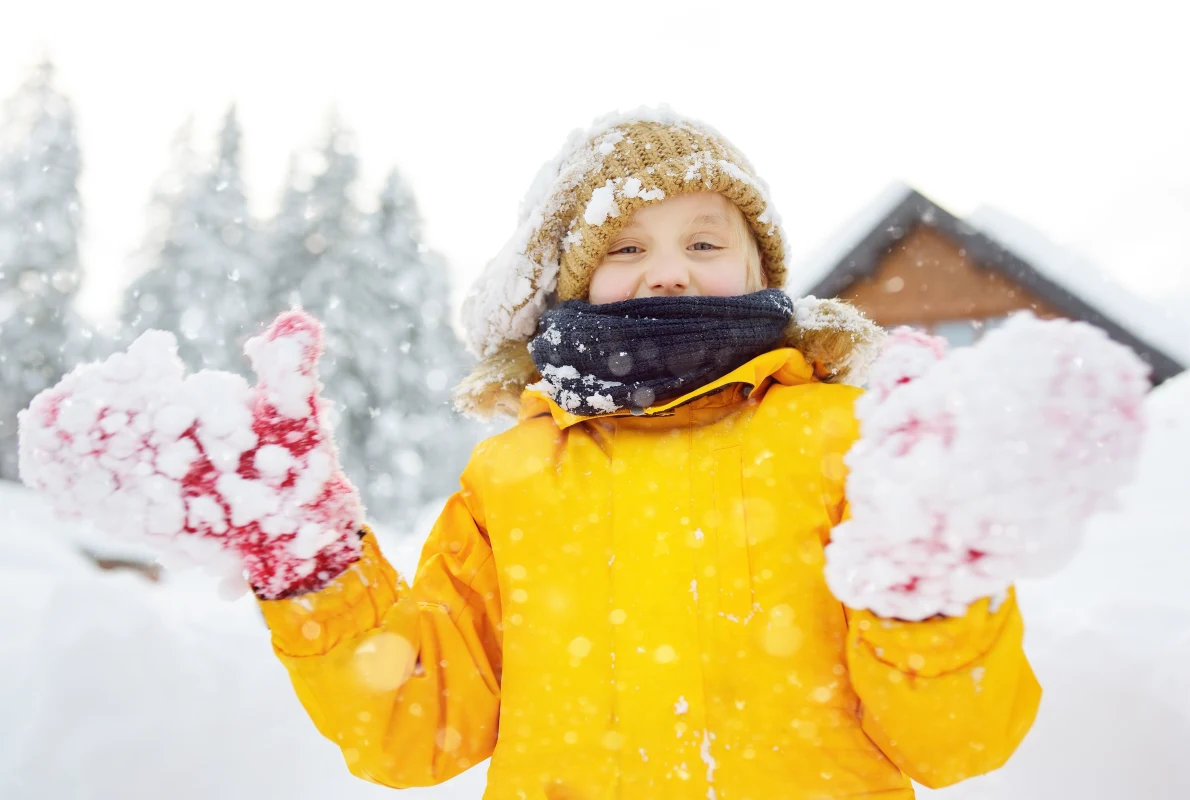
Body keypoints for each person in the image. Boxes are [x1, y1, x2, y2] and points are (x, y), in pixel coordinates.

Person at [256, 111, 1041, 799]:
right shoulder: (512, 479)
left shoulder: (846, 442)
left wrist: (929, 602)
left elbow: (955, 743)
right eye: (624, 245)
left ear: (759, 271)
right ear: (573, 284)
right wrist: (314, 575)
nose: (668, 269)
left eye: (703, 240)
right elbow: (414, 732)